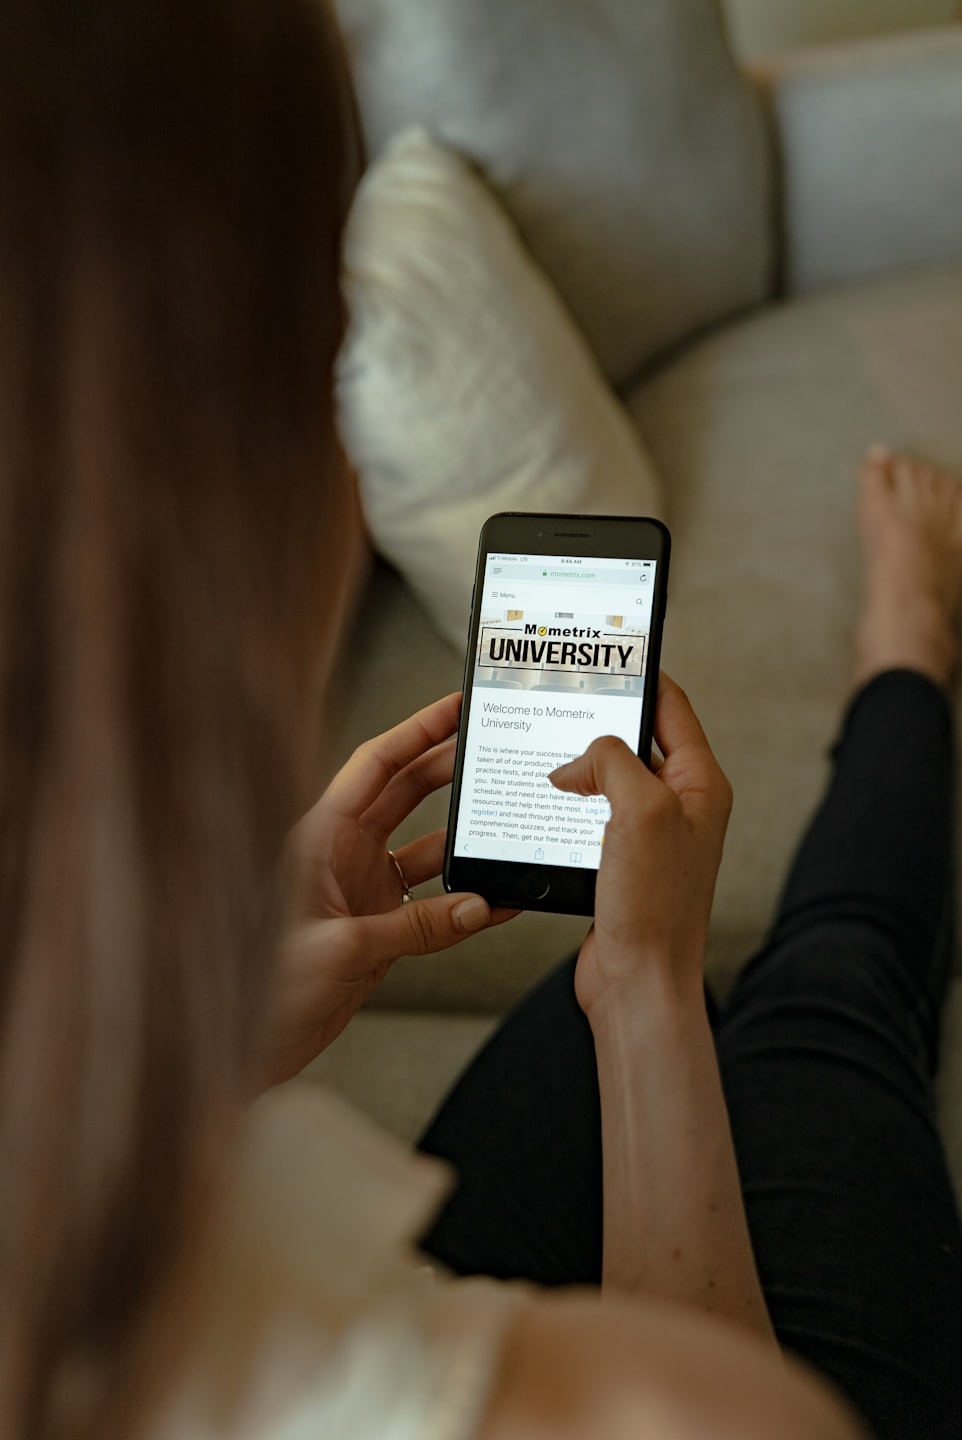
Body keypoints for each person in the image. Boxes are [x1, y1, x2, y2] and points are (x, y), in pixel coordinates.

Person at [0, 6, 953, 1440]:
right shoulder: (667, 1411)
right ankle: (909, 655)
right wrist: (641, 982)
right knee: (828, 984)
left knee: (611, 1019)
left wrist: (222, 1029)